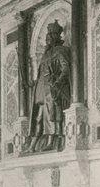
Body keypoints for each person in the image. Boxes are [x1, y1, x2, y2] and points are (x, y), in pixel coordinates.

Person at [27, 20, 71, 152]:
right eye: (47, 36)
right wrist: (33, 82)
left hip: (51, 90)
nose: (47, 39)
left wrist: (57, 83)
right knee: (38, 117)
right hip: (40, 90)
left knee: (52, 116)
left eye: (50, 36)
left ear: (56, 37)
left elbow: (66, 69)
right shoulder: (46, 54)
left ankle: (52, 142)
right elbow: (41, 73)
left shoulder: (59, 51)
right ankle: (33, 145)